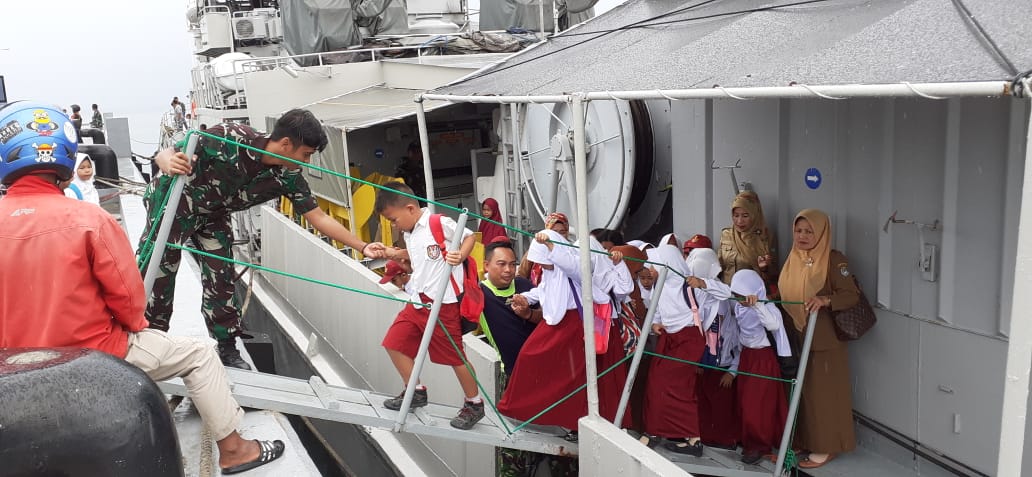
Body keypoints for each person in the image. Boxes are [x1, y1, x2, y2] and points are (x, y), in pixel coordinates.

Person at [0, 102, 284, 475]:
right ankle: (235, 451)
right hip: (93, 355)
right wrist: (135, 326)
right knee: (199, 355)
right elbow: (130, 298)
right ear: (66, 159)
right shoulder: (90, 219)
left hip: (15, 369)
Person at [139, 109, 387, 369]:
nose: (307, 161)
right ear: (286, 144)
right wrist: (168, 162)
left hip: (213, 214)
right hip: (175, 204)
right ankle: (151, 338)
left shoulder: (288, 176)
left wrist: (363, 246)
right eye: (306, 154)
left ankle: (226, 346)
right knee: (159, 271)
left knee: (221, 275)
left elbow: (319, 217)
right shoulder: (230, 136)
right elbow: (166, 153)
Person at [374, 181, 485, 430]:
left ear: (410, 209)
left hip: (442, 305)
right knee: (394, 342)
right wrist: (394, 254)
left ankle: (474, 403)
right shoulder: (410, 232)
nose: (394, 225)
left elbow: (468, 237)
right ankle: (415, 390)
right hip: (418, 301)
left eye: (393, 219)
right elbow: (420, 256)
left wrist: (460, 254)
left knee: (455, 357)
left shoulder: (438, 223)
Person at [778, 209, 859, 469]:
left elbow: (851, 295)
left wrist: (826, 300)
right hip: (797, 335)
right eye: (798, 230)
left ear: (822, 233)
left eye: (809, 231)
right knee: (802, 393)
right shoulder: (794, 258)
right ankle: (804, 439)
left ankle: (826, 446)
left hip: (824, 340)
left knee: (823, 395)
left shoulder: (834, 260)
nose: (802, 236)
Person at [642, 239, 706, 456]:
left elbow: (713, 302)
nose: (651, 270)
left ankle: (663, 432)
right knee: (659, 382)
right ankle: (681, 434)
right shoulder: (660, 286)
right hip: (668, 338)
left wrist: (704, 284)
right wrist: (655, 323)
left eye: (655, 265)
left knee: (670, 384)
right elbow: (657, 310)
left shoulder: (688, 286)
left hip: (687, 340)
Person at [730, 269, 791, 464]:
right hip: (747, 357)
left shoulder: (768, 307)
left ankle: (760, 445)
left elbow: (773, 325)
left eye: (742, 295)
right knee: (745, 401)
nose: (739, 299)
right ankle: (749, 441)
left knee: (757, 404)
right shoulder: (739, 308)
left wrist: (757, 305)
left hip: (763, 358)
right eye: (736, 295)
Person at [685, 248, 739, 453]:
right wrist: (698, 361)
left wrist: (732, 371)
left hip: (723, 364)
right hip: (703, 362)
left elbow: (736, 342)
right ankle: (707, 437)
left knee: (723, 406)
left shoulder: (721, 294)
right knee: (703, 403)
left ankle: (726, 439)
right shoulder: (694, 295)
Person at [720, 191, 778, 288]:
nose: (739, 221)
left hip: (751, 293)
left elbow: (772, 276)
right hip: (727, 293)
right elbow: (720, 267)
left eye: (745, 216)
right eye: (736, 215)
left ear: (754, 215)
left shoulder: (765, 237)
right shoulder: (726, 235)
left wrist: (764, 268)